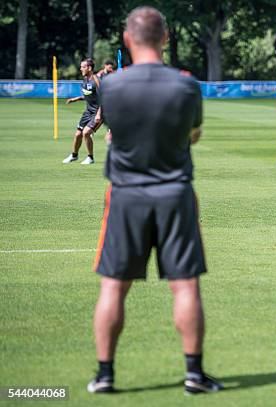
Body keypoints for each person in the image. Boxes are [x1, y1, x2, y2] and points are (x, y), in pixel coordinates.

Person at [88, 6, 222, 395]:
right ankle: (194, 374)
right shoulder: (185, 84)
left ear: (128, 40)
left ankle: (105, 375)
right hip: (174, 192)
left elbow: (111, 131)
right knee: (184, 286)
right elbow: (193, 135)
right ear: (165, 38)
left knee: (113, 286)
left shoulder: (109, 86)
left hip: (126, 195)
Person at [62, 58, 102, 165]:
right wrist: (75, 99)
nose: (80, 69)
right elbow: (88, 95)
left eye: (83, 67)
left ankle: (90, 157)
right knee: (77, 134)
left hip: (98, 112)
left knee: (86, 133)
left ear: (89, 68)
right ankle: (74, 155)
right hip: (88, 112)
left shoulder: (96, 80)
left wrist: (99, 114)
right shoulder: (85, 79)